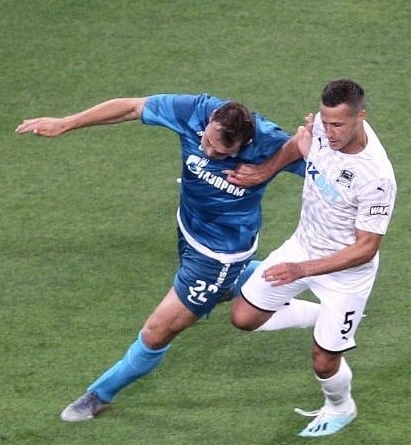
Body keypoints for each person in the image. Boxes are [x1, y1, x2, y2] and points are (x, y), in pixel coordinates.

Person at [16, 94, 303, 422]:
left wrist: (266, 170)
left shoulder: (268, 141)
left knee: (158, 330)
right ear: (210, 121)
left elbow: (318, 163)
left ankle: (99, 395)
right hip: (189, 232)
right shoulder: (195, 111)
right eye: (208, 142)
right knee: (224, 289)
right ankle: (302, 274)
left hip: (219, 255)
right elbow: (132, 107)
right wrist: (66, 123)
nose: (209, 153)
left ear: (244, 142)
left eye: (221, 152)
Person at [226, 79, 397, 438]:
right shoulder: (323, 125)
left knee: (323, 361)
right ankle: (325, 320)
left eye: (338, 125)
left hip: (345, 274)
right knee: (243, 317)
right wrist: (263, 172)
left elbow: (366, 248)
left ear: (361, 117)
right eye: (325, 121)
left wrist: (300, 270)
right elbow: (299, 144)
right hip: (302, 246)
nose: (329, 131)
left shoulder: (377, 177)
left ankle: (340, 407)